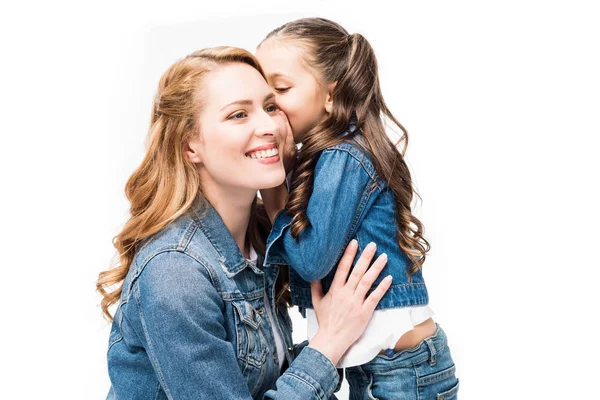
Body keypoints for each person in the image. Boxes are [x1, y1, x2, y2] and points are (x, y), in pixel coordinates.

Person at [96, 46, 394, 399]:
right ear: (190, 144)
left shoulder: (259, 240)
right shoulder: (176, 272)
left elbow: (265, 376)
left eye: (270, 107)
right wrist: (327, 345)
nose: (269, 125)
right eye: (238, 115)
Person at [256, 18, 459, 399]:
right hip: (379, 365)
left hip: (404, 370)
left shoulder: (343, 155)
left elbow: (312, 260)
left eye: (281, 89)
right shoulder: (325, 155)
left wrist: (273, 187)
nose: (271, 105)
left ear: (331, 95)